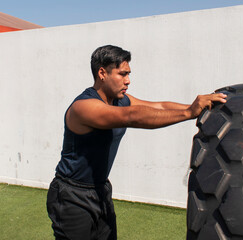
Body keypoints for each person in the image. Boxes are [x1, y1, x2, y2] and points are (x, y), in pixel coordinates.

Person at [46, 45, 227, 240]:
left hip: (100, 189)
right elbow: (132, 116)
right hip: (71, 195)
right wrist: (187, 112)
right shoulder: (84, 107)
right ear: (102, 73)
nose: (128, 81)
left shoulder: (120, 100)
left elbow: (159, 106)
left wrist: (197, 108)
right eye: (122, 74)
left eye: (129, 74)